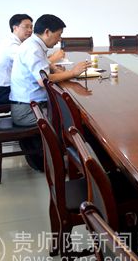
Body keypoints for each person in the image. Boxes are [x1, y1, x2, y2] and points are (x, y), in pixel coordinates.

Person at [10, 14, 89, 170]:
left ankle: (69, 158)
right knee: (71, 118)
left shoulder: (34, 44)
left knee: (69, 110)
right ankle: (70, 163)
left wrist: (54, 68)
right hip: (27, 110)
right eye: (58, 35)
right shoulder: (32, 48)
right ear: (47, 32)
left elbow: (43, 67)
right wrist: (73, 73)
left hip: (30, 104)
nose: (59, 40)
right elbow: (43, 80)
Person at [0, 14, 64, 104]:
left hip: (12, 89)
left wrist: (53, 67)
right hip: (4, 91)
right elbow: (33, 62)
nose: (30, 30)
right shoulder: (12, 45)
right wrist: (57, 60)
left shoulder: (26, 43)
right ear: (15, 28)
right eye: (26, 27)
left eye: (31, 27)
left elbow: (37, 62)